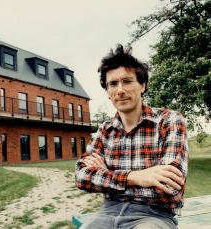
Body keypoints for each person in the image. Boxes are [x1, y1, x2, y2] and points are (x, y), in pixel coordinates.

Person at [75, 44, 188, 229]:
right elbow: (81, 177)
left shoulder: (169, 121)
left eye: (127, 81)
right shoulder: (105, 130)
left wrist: (106, 175)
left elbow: (170, 189)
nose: (120, 90)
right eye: (113, 84)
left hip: (154, 216)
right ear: (107, 92)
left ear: (142, 85)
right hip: (108, 213)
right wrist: (135, 177)